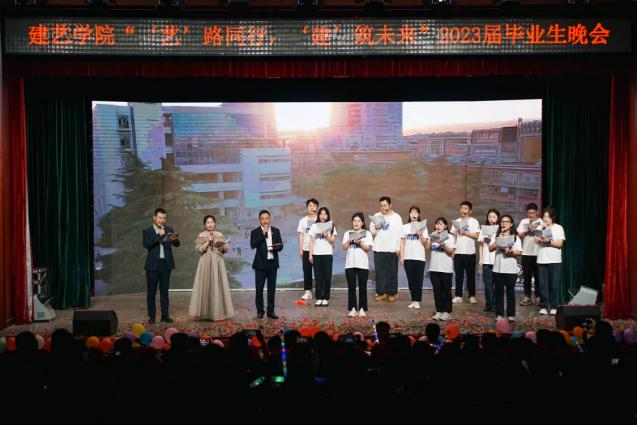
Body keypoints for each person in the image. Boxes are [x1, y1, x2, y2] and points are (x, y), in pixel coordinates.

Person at [188, 215, 235, 321]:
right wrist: (207, 242)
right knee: (205, 285)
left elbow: (225, 250)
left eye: (212, 222)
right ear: (205, 224)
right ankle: (205, 313)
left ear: (215, 223)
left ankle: (217, 312)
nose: (210, 224)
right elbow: (199, 249)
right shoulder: (201, 235)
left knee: (216, 285)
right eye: (208, 222)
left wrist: (222, 246)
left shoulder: (219, 234)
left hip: (217, 261)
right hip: (205, 262)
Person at [143, 208, 180, 324]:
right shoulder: (147, 231)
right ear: (154, 217)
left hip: (166, 264)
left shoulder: (169, 230)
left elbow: (177, 244)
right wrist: (159, 235)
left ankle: (165, 316)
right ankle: (152, 316)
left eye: (164, 218)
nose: (162, 220)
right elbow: (146, 244)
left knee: (164, 292)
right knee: (151, 292)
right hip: (152, 265)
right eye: (160, 218)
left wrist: (174, 239)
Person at [250, 210, 284, 319]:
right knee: (259, 289)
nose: (265, 220)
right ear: (259, 220)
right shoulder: (255, 232)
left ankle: (271, 311)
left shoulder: (276, 231)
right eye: (263, 218)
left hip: (272, 263)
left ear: (270, 219)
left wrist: (277, 247)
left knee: (271, 289)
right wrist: (262, 234)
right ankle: (260, 312)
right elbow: (253, 245)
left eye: (267, 218)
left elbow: (281, 246)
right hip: (260, 265)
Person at [488, 214, 522, 321]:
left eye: (507, 222)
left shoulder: (515, 237)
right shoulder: (496, 235)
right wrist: (498, 240)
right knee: (498, 293)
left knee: (510, 292)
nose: (504, 223)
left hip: (510, 269)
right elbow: (490, 248)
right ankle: (499, 314)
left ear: (511, 224)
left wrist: (510, 251)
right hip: (498, 269)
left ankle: (511, 314)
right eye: (502, 222)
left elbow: (519, 252)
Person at [370, 196, 403, 302]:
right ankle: (381, 293)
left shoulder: (397, 217)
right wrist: (376, 227)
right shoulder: (376, 216)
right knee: (380, 272)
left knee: (392, 272)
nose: (383, 208)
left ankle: (392, 293)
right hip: (379, 248)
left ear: (390, 205)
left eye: (385, 205)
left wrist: (398, 248)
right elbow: (372, 231)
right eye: (381, 206)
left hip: (392, 249)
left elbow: (400, 233)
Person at [535, 206, 566, 316]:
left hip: (554, 260)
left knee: (554, 284)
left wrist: (548, 241)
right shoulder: (540, 227)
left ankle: (554, 306)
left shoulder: (558, 228)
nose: (545, 219)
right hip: (542, 259)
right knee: (542, 285)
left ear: (552, 217)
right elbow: (535, 241)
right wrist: (540, 236)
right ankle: (543, 306)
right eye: (544, 216)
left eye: (548, 217)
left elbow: (560, 244)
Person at [342, 212, 373, 317]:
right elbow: (344, 247)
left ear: (362, 223)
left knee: (362, 287)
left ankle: (362, 308)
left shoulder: (367, 233)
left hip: (362, 264)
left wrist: (360, 242)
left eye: (358, 221)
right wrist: (349, 240)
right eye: (354, 221)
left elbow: (367, 249)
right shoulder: (348, 233)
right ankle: (353, 308)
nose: (356, 223)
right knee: (351, 287)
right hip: (350, 264)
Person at [400, 206, 430, 310]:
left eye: (416, 213)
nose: (414, 214)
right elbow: (402, 242)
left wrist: (420, 235)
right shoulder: (405, 227)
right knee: (411, 280)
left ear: (418, 215)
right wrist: (402, 257)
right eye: (412, 212)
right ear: (409, 214)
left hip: (419, 257)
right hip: (408, 257)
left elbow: (425, 243)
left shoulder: (423, 227)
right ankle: (413, 300)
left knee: (418, 280)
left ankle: (417, 301)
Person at [450, 201, 480, 304]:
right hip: (458, 252)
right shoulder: (456, 222)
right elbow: (453, 236)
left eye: (466, 208)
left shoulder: (474, 221)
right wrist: (453, 250)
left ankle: (472, 295)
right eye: (462, 208)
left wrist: (465, 232)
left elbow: (476, 236)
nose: (463, 210)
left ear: (470, 211)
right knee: (459, 275)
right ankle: (458, 295)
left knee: (470, 276)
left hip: (470, 252)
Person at [309, 207, 338, 306]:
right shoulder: (314, 226)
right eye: (321, 214)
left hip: (327, 254)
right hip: (316, 254)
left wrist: (326, 235)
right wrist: (310, 255)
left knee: (327, 276)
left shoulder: (332, 226)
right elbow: (311, 241)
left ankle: (326, 297)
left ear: (327, 215)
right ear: (319, 215)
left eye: (325, 214)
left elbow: (332, 241)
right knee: (318, 276)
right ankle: (319, 297)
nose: (323, 216)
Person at [429, 217, 456, 321]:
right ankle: (439, 310)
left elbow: (451, 252)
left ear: (445, 226)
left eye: (440, 224)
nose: (438, 226)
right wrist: (431, 237)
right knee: (437, 291)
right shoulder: (433, 236)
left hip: (446, 268)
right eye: (437, 224)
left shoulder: (450, 237)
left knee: (446, 291)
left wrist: (443, 245)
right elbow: (427, 248)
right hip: (434, 267)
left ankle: (447, 312)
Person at [517, 203, 543, 306]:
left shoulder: (541, 222)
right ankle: (527, 297)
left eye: (533, 213)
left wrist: (535, 231)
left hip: (538, 253)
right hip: (526, 253)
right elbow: (519, 234)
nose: (531, 215)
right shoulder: (524, 221)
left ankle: (538, 297)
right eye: (529, 213)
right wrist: (527, 231)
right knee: (527, 276)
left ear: (537, 212)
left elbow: (544, 235)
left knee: (538, 276)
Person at [479, 209, 500, 313]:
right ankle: (489, 304)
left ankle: (495, 304)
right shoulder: (483, 230)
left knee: (497, 284)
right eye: (490, 217)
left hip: (497, 260)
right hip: (486, 260)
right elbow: (481, 245)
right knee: (487, 284)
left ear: (498, 218)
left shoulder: (500, 230)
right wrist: (481, 258)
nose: (491, 219)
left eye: (494, 217)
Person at [297, 198, 319, 301]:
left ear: (317, 207)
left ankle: (319, 291)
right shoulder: (303, 221)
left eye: (314, 206)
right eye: (310, 205)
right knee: (307, 270)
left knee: (318, 271)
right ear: (307, 207)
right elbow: (301, 235)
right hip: (306, 249)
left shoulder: (320, 220)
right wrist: (301, 249)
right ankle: (308, 291)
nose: (312, 207)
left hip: (318, 249)